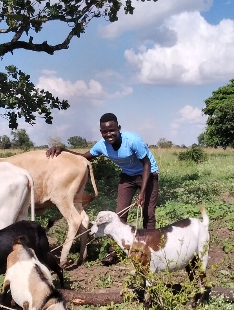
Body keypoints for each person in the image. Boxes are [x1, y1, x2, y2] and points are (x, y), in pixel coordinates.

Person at [46, 112, 159, 264]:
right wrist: (63, 150)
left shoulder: (133, 140)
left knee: (148, 213)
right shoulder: (102, 145)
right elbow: (82, 157)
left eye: (112, 130)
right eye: (105, 131)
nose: (109, 134)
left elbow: (147, 164)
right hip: (127, 176)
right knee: (120, 214)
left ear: (119, 128)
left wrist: (143, 193)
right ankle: (115, 252)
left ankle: (151, 250)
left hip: (148, 175)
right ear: (101, 132)